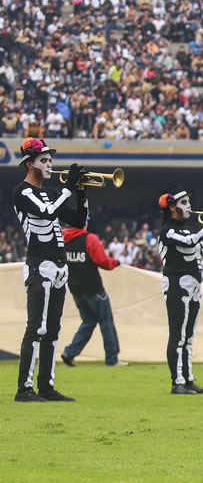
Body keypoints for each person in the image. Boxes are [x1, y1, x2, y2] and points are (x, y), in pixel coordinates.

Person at [13, 138, 88, 402]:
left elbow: (79, 221)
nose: (49, 165)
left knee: (53, 329)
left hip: (59, 265)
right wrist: (68, 188)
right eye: (44, 160)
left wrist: (80, 192)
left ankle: (46, 385)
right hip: (39, 263)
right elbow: (46, 214)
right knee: (37, 328)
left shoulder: (54, 192)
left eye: (50, 160)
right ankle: (24, 388)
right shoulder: (22, 192)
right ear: (29, 163)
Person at [157, 184, 203, 395]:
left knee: (188, 336)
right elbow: (190, 242)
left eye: (189, 202)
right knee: (177, 335)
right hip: (177, 284)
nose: (189, 206)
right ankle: (176, 382)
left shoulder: (190, 229)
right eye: (183, 203)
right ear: (171, 208)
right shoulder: (167, 231)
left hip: (194, 285)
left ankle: (188, 380)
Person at [60, 218, 127, 367]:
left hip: (75, 289)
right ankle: (112, 359)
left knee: (89, 321)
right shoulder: (89, 238)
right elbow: (103, 262)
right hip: (93, 289)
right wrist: (116, 262)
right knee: (106, 322)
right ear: (84, 223)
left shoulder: (61, 239)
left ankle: (70, 353)